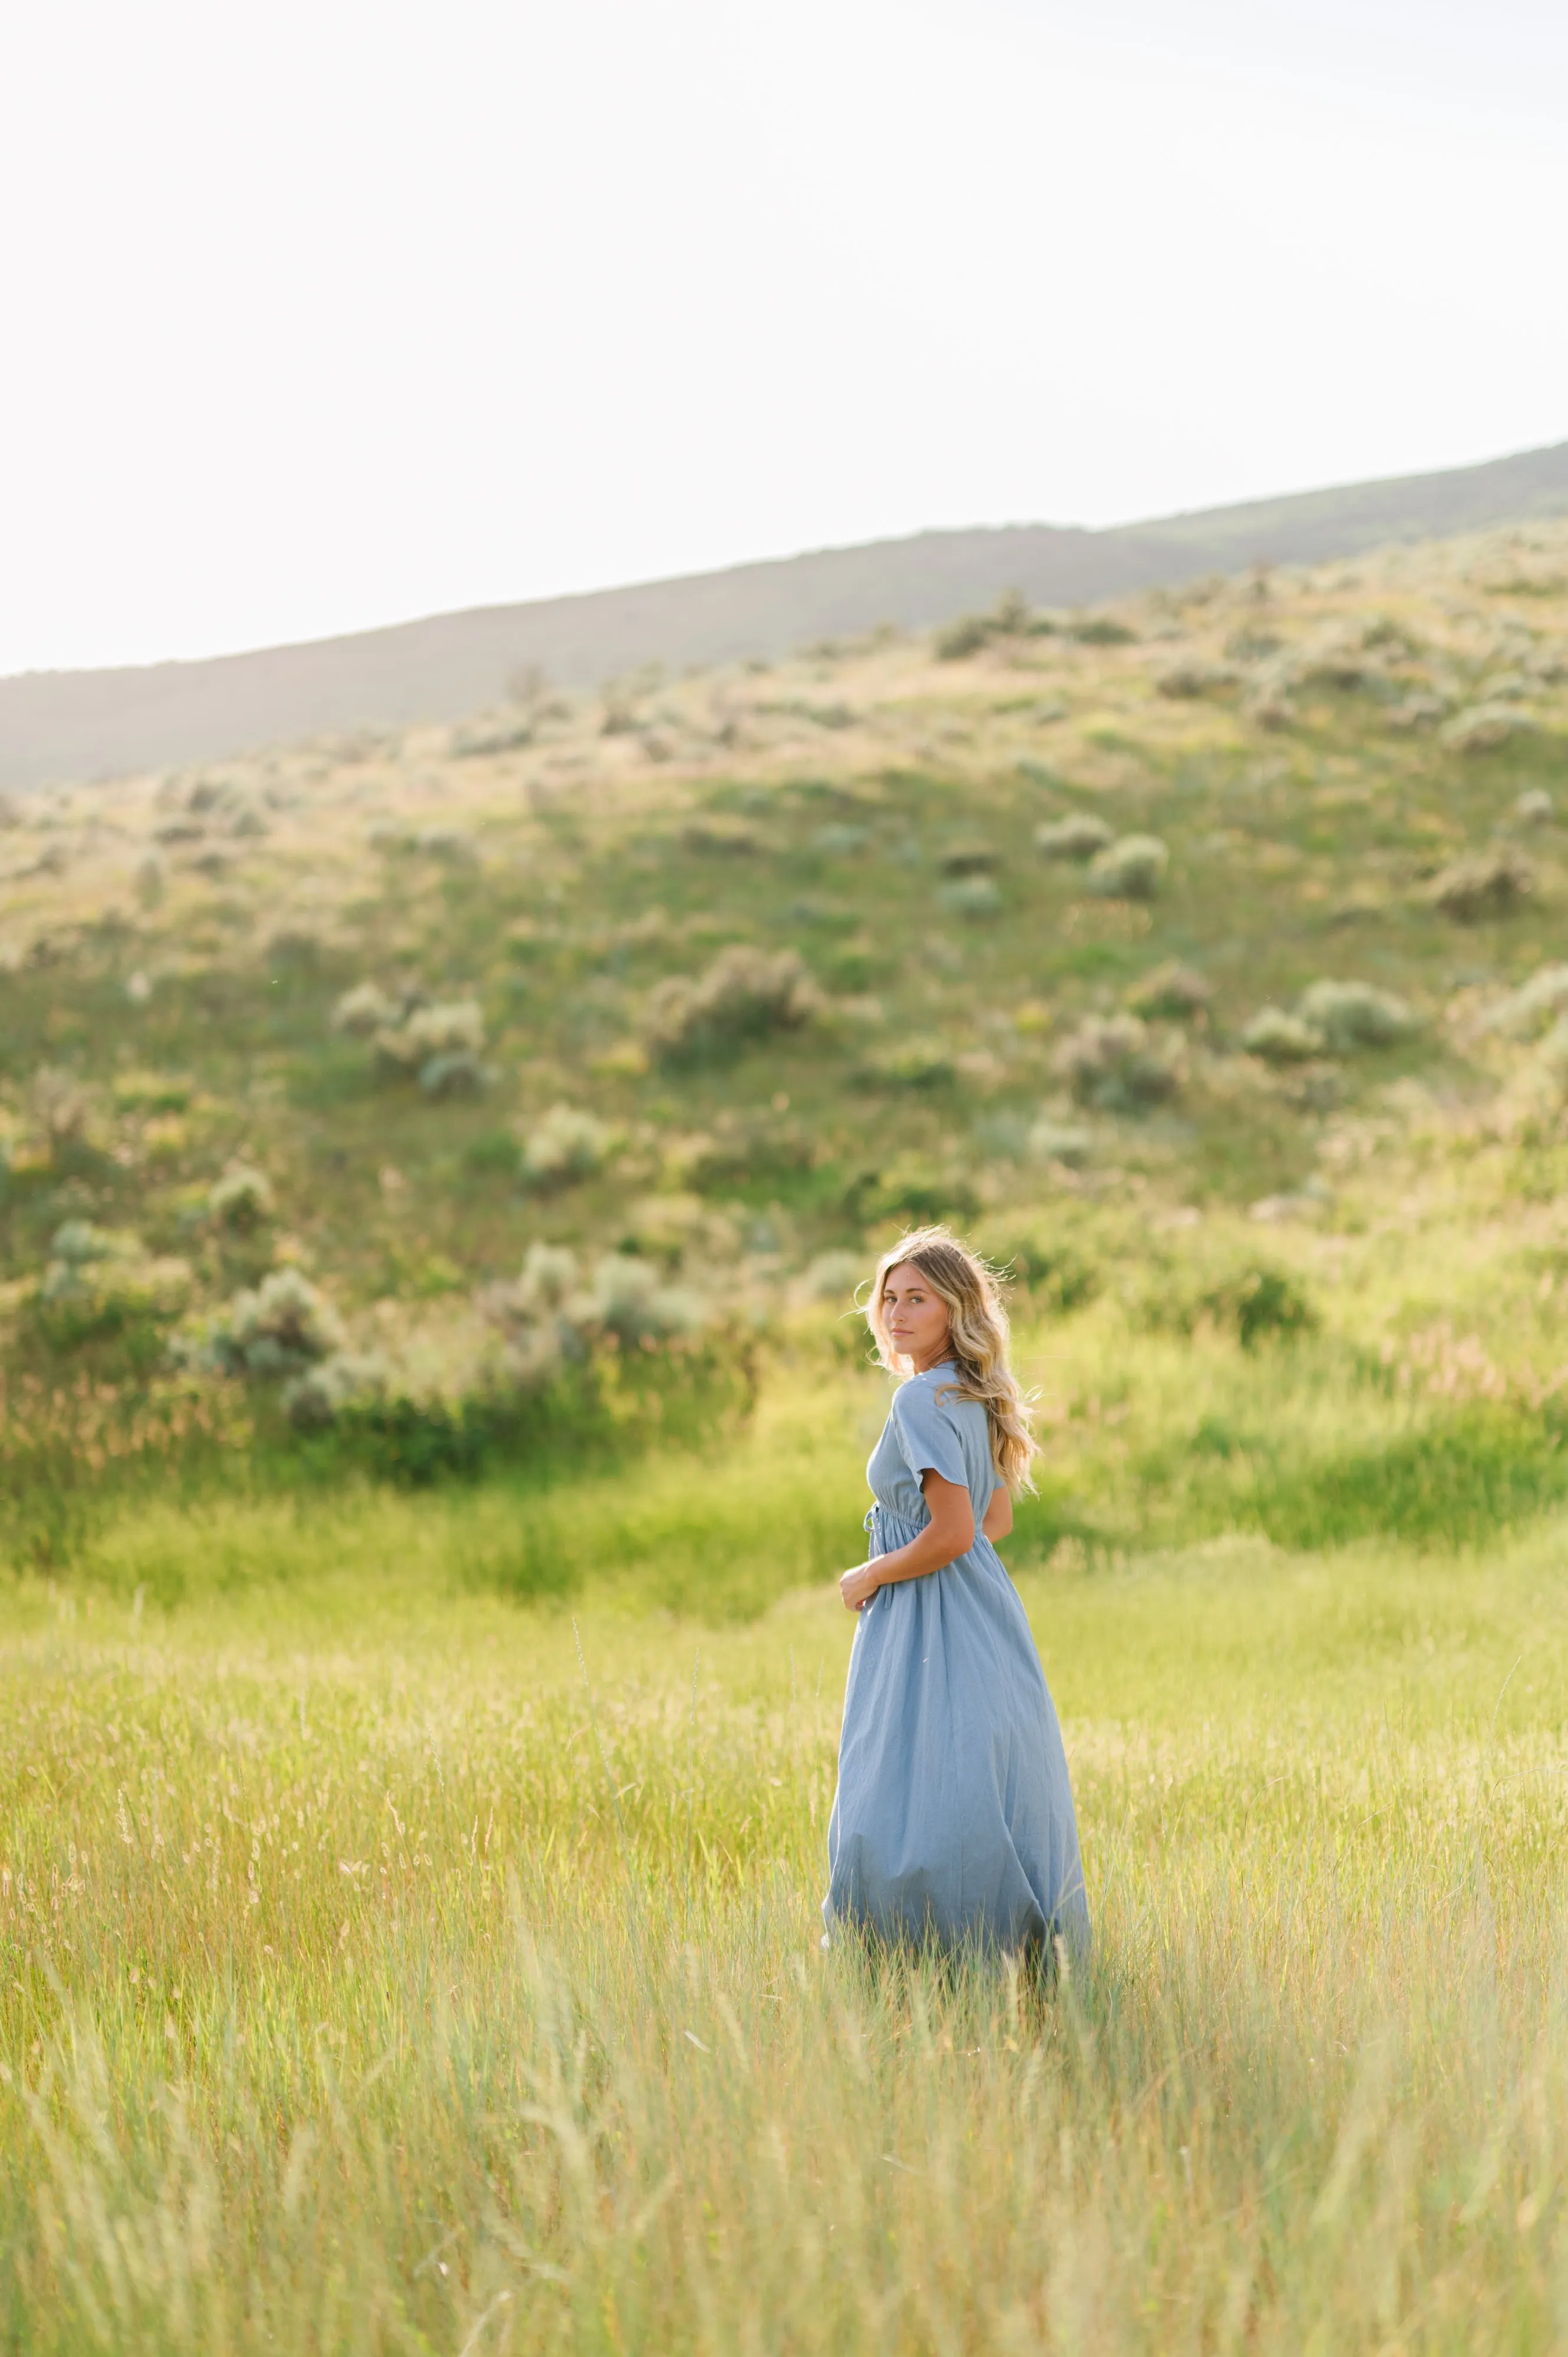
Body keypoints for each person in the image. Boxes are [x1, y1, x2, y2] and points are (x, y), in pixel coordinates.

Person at [823, 1226, 1088, 1959]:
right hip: (984, 1610)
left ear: (955, 1311)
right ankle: (1021, 1956)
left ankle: (906, 1956)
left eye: (919, 1299)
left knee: (894, 1790)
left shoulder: (918, 1401)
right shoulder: (977, 1394)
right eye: (890, 1297)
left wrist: (872, 1572)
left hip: (919, 1611)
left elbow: (952, 1532)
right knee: (977, 1777)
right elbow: (992, 1521)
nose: (898, 1312)